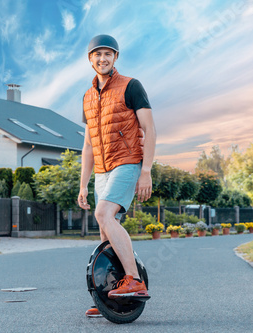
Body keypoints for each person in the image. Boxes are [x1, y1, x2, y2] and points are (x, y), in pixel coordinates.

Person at [77, 34, 156, 318]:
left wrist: (145, 170)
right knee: (104, 229)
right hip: (102, 168)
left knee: (105, 214)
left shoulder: (131, 86)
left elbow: (150, 128)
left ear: (116, 58)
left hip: (127, 161)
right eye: (97, 54)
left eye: (108, 54)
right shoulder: (87, 97)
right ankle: (106, 297)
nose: (102, 58)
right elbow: (88, 146)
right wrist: (83, 184)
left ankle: (134, 279)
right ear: (90, 59)